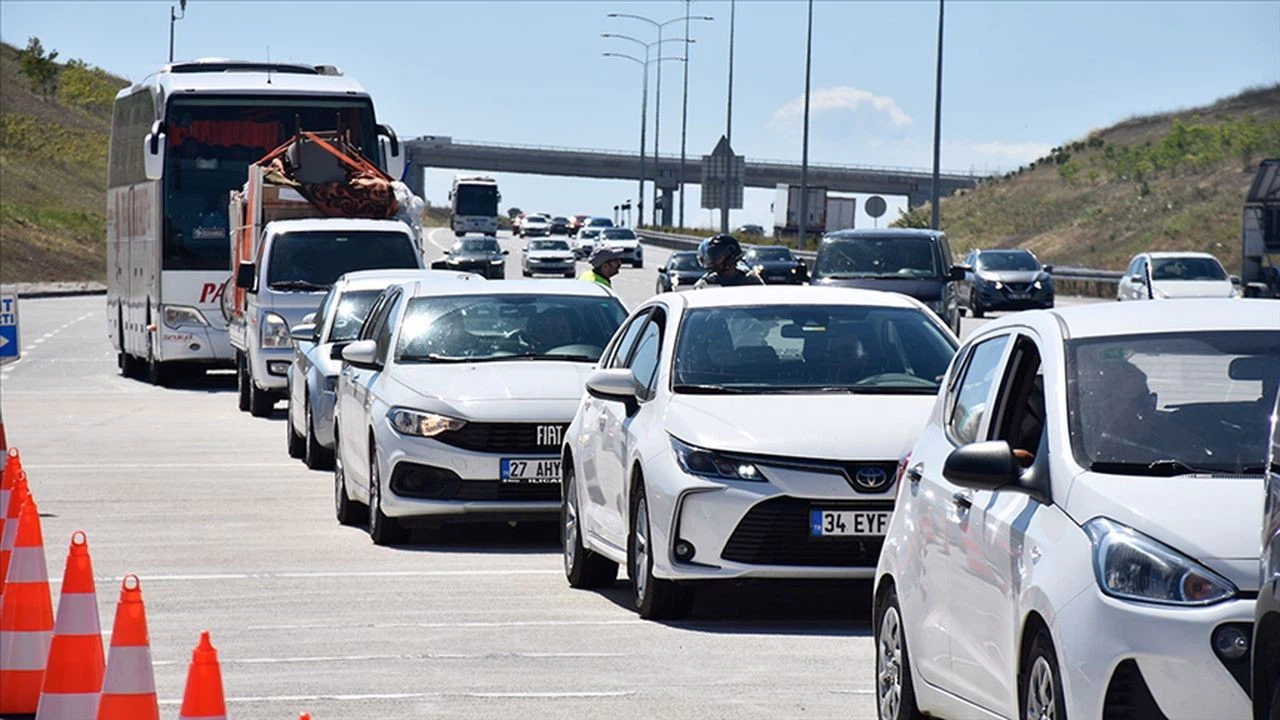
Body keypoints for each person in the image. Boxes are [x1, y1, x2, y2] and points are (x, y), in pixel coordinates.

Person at [693, 234, 764, 288]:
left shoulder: (750, 280)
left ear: (730, 256)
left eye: (716, 256)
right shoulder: (706, 283)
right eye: (709, 257)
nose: (712, 261)